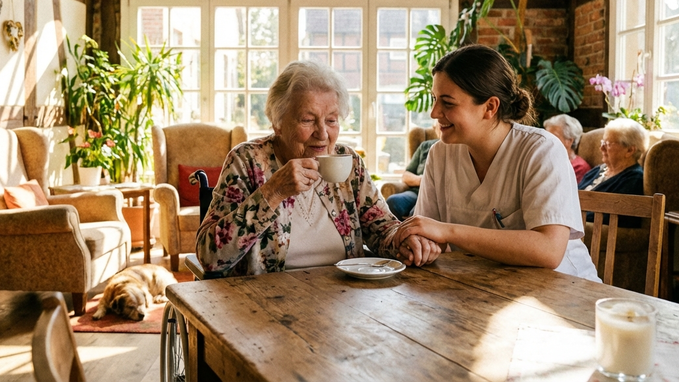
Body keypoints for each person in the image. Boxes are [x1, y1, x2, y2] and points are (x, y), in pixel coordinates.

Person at [196, 60, 441, 276]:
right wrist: (273, 192)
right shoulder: (246, 161)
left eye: (332, 120)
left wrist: (406, 241)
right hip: (265, 307)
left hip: (346, 301)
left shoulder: (348, 161)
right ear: (278, 123)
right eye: (308, 120)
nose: (323, 134)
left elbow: (382, 230)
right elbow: (209, 258)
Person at [396, 45, 600, 282]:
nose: (433, 112)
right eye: (434, 99)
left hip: (565, 292)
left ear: (490, 107)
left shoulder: (541, 149)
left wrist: (447, 231)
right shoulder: (440, 154)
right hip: (484, 289)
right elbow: (428, 235)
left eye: (448, 102)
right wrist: (419, 244)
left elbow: (549, 250)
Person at [578, 117, 648, 227]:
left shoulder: (634, 179)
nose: (601, 148)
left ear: (630, 150)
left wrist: (571, 218)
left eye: (608, 144)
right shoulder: (597, 170)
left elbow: (611, 216)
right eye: (603, 142)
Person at [386, 122, 440, 220]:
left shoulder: (456, 147)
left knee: (416, 212)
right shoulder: (425, 146)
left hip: (436, 196)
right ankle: (392, 234)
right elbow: (406, 175)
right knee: (392, 201)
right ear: (434, 127)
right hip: (416, 191)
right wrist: (423, 180)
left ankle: (409, 234)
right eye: (438, 124)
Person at [543, 114, 592, 183]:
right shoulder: (546, 162)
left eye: (553, 137)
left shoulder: (579, 168)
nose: (547, 141)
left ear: (569, 141)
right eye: (547, 136)